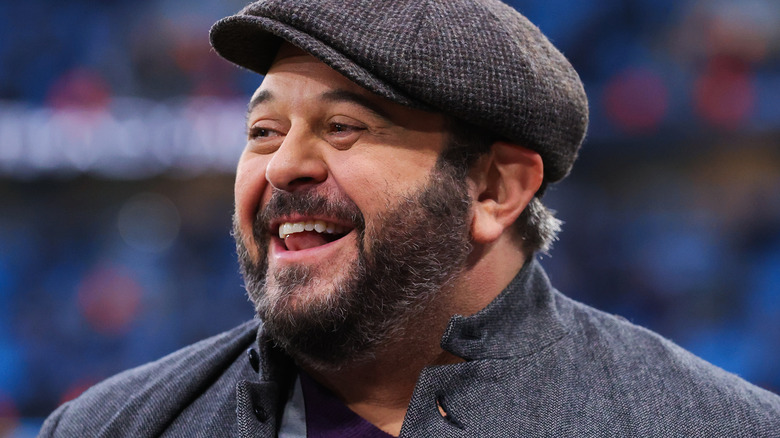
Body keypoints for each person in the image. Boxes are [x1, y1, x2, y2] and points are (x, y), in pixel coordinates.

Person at [39, 0, 780, 437]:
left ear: (494, 190)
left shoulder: (707, 424)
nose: (281, 165)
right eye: (262, 132)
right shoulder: (113, 426)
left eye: (344, 128)